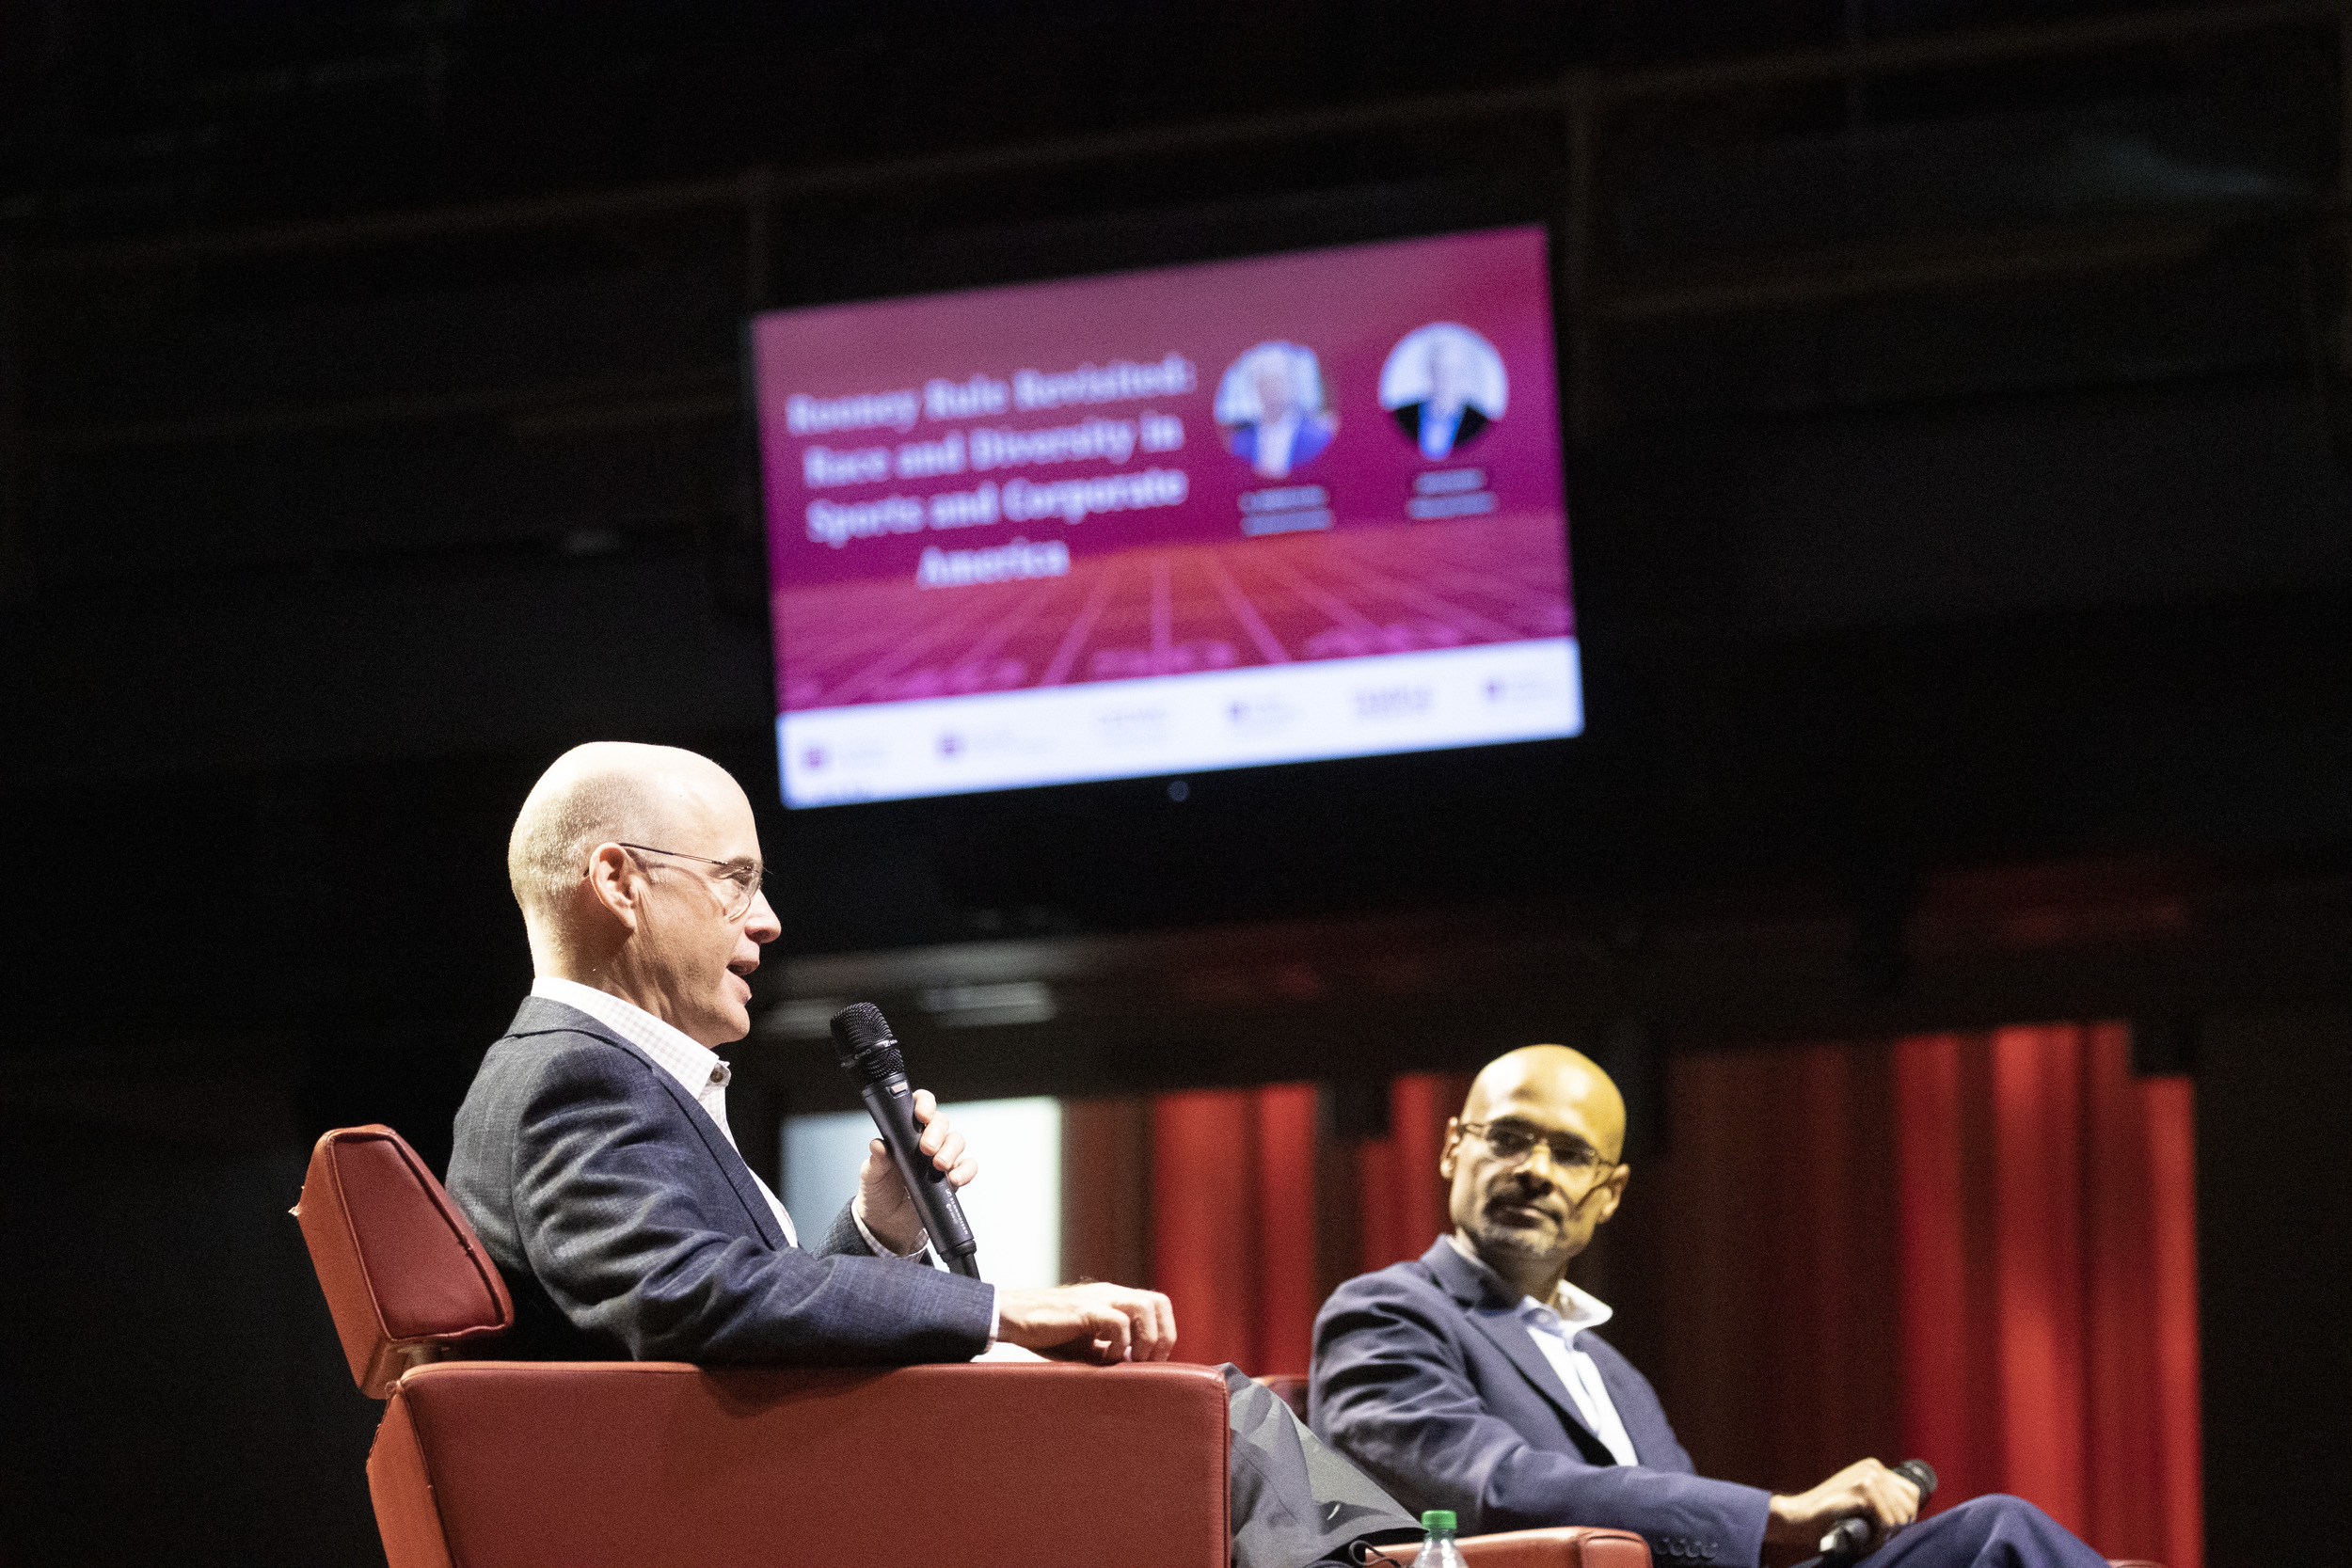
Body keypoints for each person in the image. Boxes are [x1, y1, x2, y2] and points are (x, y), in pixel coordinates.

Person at [447, 741, 1416, 1568]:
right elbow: (684, 1299)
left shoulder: (592, 1072)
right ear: (617, 880)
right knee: (1201, 1415)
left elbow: (719, 1313)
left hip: (753, 1485)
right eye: (735, 879)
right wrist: (1005, 1310)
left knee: (1212, 1415)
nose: (767, 920)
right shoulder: (574, 1076)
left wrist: (879, 1226)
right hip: (733, 1514)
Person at [1310, 1046, 2114, 1568]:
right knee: (2000, 1540)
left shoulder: (1610, 1370)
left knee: (1994, 1543)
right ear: (1455, 1146)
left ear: (1610, 1192)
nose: (1535, 1170)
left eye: (1572, 1153)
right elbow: (1495, 1486)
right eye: (1511, 1138)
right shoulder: (1385, 1313)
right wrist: (1781, 1513)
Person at [1218, 341, 1337, 480]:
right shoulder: (1241, 443)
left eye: (1278, 383)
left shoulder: (1317, 438)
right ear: (1256, 388)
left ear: (1292, 387)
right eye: (1266, 384)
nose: (1273, 392)